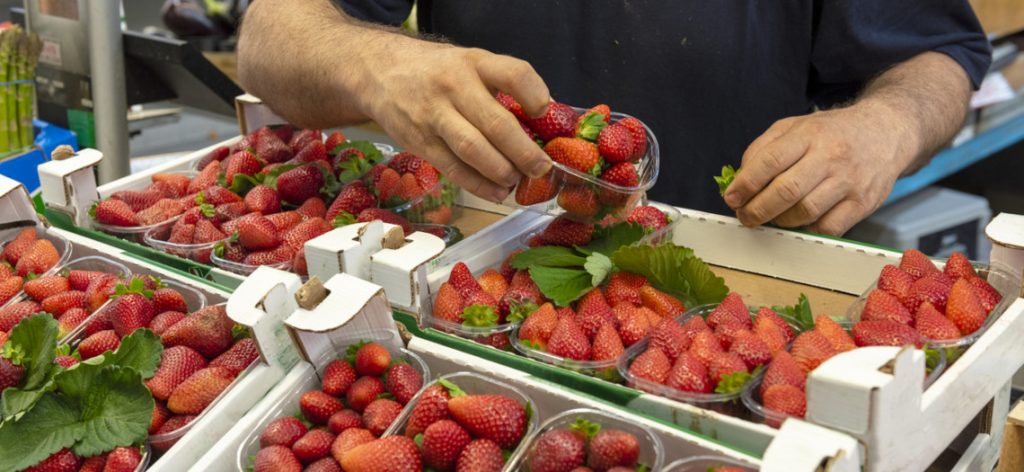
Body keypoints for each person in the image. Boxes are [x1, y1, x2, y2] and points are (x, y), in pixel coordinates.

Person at [237, 0, 990, 236]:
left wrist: (884, 127)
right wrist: (376, 66)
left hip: (733, 274)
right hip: (473, 275)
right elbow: (268, 41)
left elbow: (941, 52)